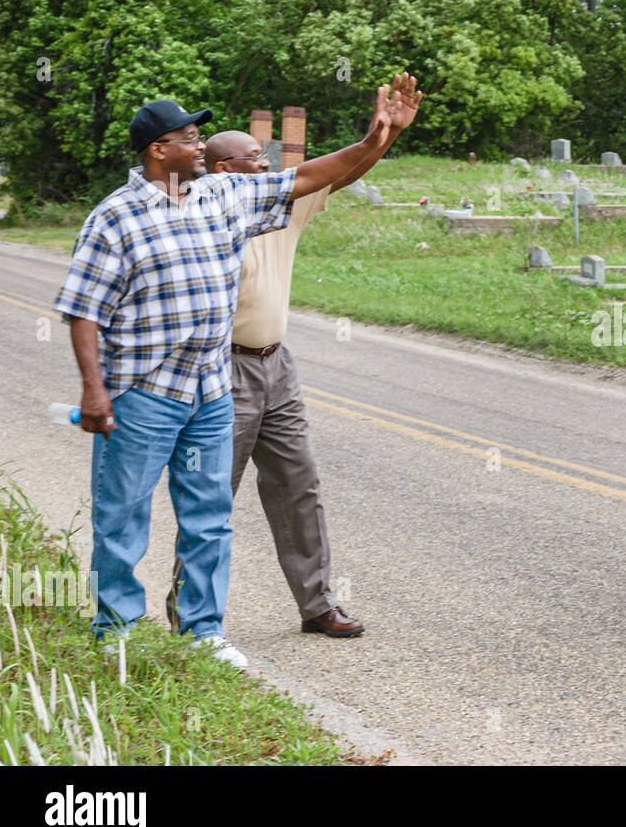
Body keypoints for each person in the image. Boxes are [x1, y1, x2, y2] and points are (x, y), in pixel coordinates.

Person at [55, 78, 412, 667]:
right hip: (143, 393)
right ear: (156, 151)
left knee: (209, 517)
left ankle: (202, 631)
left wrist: (379, 135)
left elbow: (309, 176)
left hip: (211, 391)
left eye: (200, 137)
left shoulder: (221, 196)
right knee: (122, 515)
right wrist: (95, 393)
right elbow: (83, 310)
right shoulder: (114, 218)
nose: (198, 146)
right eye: (188, 138)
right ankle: (114, 628)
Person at [161, 75, 422, 639]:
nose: (269, 164)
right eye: (257, 158)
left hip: (277, 367)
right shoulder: (202, 214)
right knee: (211, 496)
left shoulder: (283, 208)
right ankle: (190, 618)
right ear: (227, 169)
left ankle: (317, 604)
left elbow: (341, 172)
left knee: (298, 487)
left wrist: (385, 135)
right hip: (221, 370)